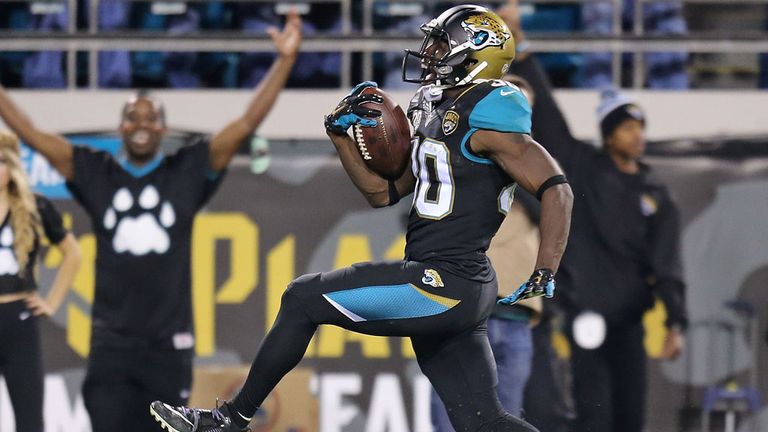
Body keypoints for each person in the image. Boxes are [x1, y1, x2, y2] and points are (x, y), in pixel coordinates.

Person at [148, 5, 572, 432]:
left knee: (302, 299)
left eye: (442, 43)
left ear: (476, 53)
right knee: (485, 423)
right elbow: (383, 192)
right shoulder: (445, 109)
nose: (430, 52)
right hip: (455, 282)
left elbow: (557, 188)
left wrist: (546, 267)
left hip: (447, 281)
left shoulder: (490, 110)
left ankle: (229, 419)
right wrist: (340, 137)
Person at [0, 12, 301, 432]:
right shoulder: (95, 172)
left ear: (163, 127)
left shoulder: (188, 170)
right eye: (132, 118)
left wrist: (285, 61)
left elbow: (246, 124)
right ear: (120, 127)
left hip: (168, 350)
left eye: (149, 118)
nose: (140, 125)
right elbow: (29, 132)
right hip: (110, 348)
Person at [501, 3, 688, 432]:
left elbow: (667, 263)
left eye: (640, 127)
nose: (637, 135)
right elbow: (546, 116)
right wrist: (521, 48)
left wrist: (675, 320)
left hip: (631, 324)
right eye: (626, 127)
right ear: (608, 133)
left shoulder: (656, 194)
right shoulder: (584, 171)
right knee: (593, 416)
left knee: (630, 416)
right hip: (587, 317)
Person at [0, 131, 81, 432]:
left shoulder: (35, 207)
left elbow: (73, 254)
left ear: (12, 167)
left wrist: (51, 302)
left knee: (30, 419)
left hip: (19, 319)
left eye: (0, 161)